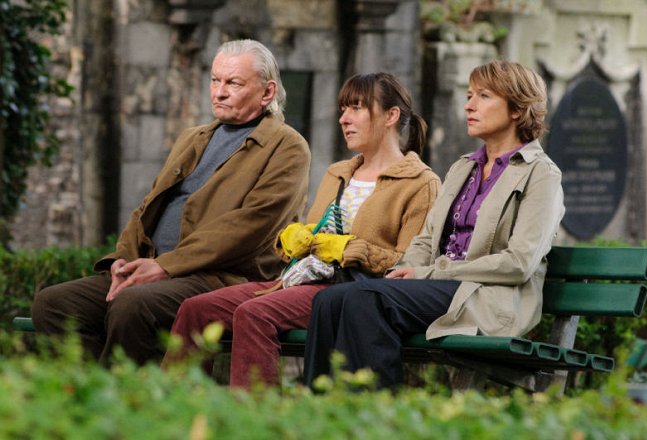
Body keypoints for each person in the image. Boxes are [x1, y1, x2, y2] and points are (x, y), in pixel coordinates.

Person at [30, 39, 311, 365]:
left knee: (134, 305)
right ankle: (93, 396)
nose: (219, 92)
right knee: (53, 304)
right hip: (152, 269)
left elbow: (252, 226)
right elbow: (146, 207)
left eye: (233, 82)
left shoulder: (287, 146)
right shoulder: (194, 137)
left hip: (216, 278)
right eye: (215, 80)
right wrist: (123, 261)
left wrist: (166, 266)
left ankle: (130, 402)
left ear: (267, 92)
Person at [162, 72, 441, 388]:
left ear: (391, 116)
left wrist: (351, 250)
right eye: (342, 109)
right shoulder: (338, 172)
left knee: (255, 314)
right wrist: (295, 238)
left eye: (356, 108)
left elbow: (408, 267)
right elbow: (315, 233)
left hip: (348, 292)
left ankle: (255, 421)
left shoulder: (421, 183)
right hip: (299, 279)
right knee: (197, 309)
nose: (344, 119)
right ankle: (175, 412)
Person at [302, 60, 566, 390]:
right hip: (440, 288)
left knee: (365, 298)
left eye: (483, 96)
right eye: (469, 95)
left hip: (488, 297)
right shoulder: (463, 168)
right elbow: (426, 239)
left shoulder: (540, 173)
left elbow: (518, 264)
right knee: (330, 300)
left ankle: (371, 413)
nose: (469, 105)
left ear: (517, 108)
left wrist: (431, 273)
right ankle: (319, 413)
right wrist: (406, 270)